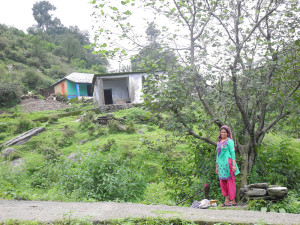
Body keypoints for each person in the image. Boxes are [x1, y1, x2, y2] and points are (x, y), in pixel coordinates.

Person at [215, 125, 240, 206]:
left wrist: (234, 165)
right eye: (221, 132)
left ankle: (232, 200)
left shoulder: (229, 141)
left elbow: (233, 153)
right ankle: (226, 200)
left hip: (228, 163)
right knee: (223, 182)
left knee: (230, 181)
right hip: (221, 164)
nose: (223, 133)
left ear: (228, 133)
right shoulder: (219, 142)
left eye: (224, 132)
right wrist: (217, 166)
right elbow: (217, 155)